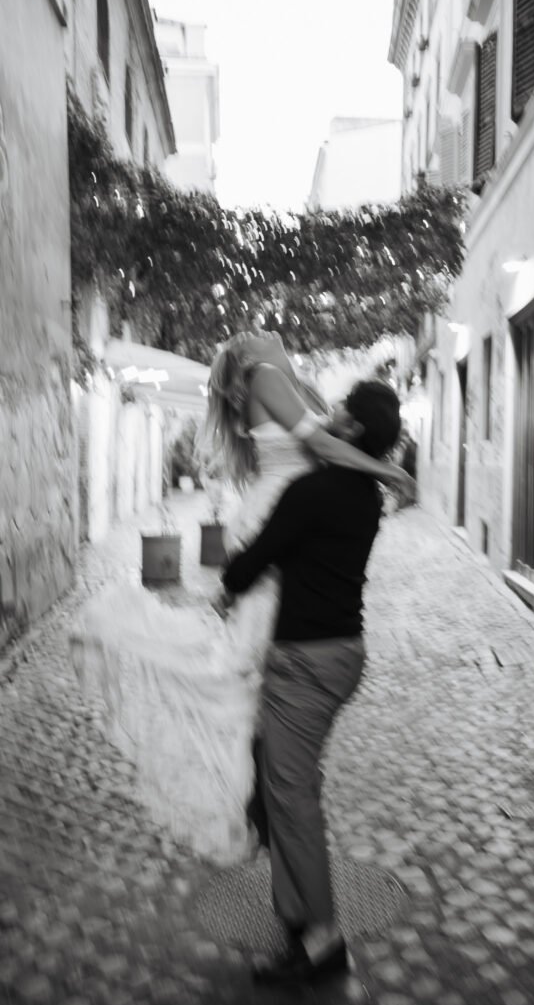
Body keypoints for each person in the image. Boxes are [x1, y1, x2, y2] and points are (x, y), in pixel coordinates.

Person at [70, 331, 414, 866]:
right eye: (250, 337)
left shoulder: (287, 381)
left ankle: (272, 787)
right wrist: (387, 469)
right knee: (241, 660)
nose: (261, 333)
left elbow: (331, 438)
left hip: (283, 515)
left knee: (252, 664)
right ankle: (271, 797)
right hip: (277, 517)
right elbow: (323, 446)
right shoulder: (267, 377)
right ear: (249, 361)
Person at [219, 379, 402, 983]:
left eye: (340, 410)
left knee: (292, 801)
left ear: (349, 431)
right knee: (277, 787)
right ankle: (296, 909)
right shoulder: (364, 496)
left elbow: (251, 562)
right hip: (341, 652)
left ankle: (322, 940)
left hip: (305, 662)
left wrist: (229, 581)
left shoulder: (312, 492)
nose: (328, 414)